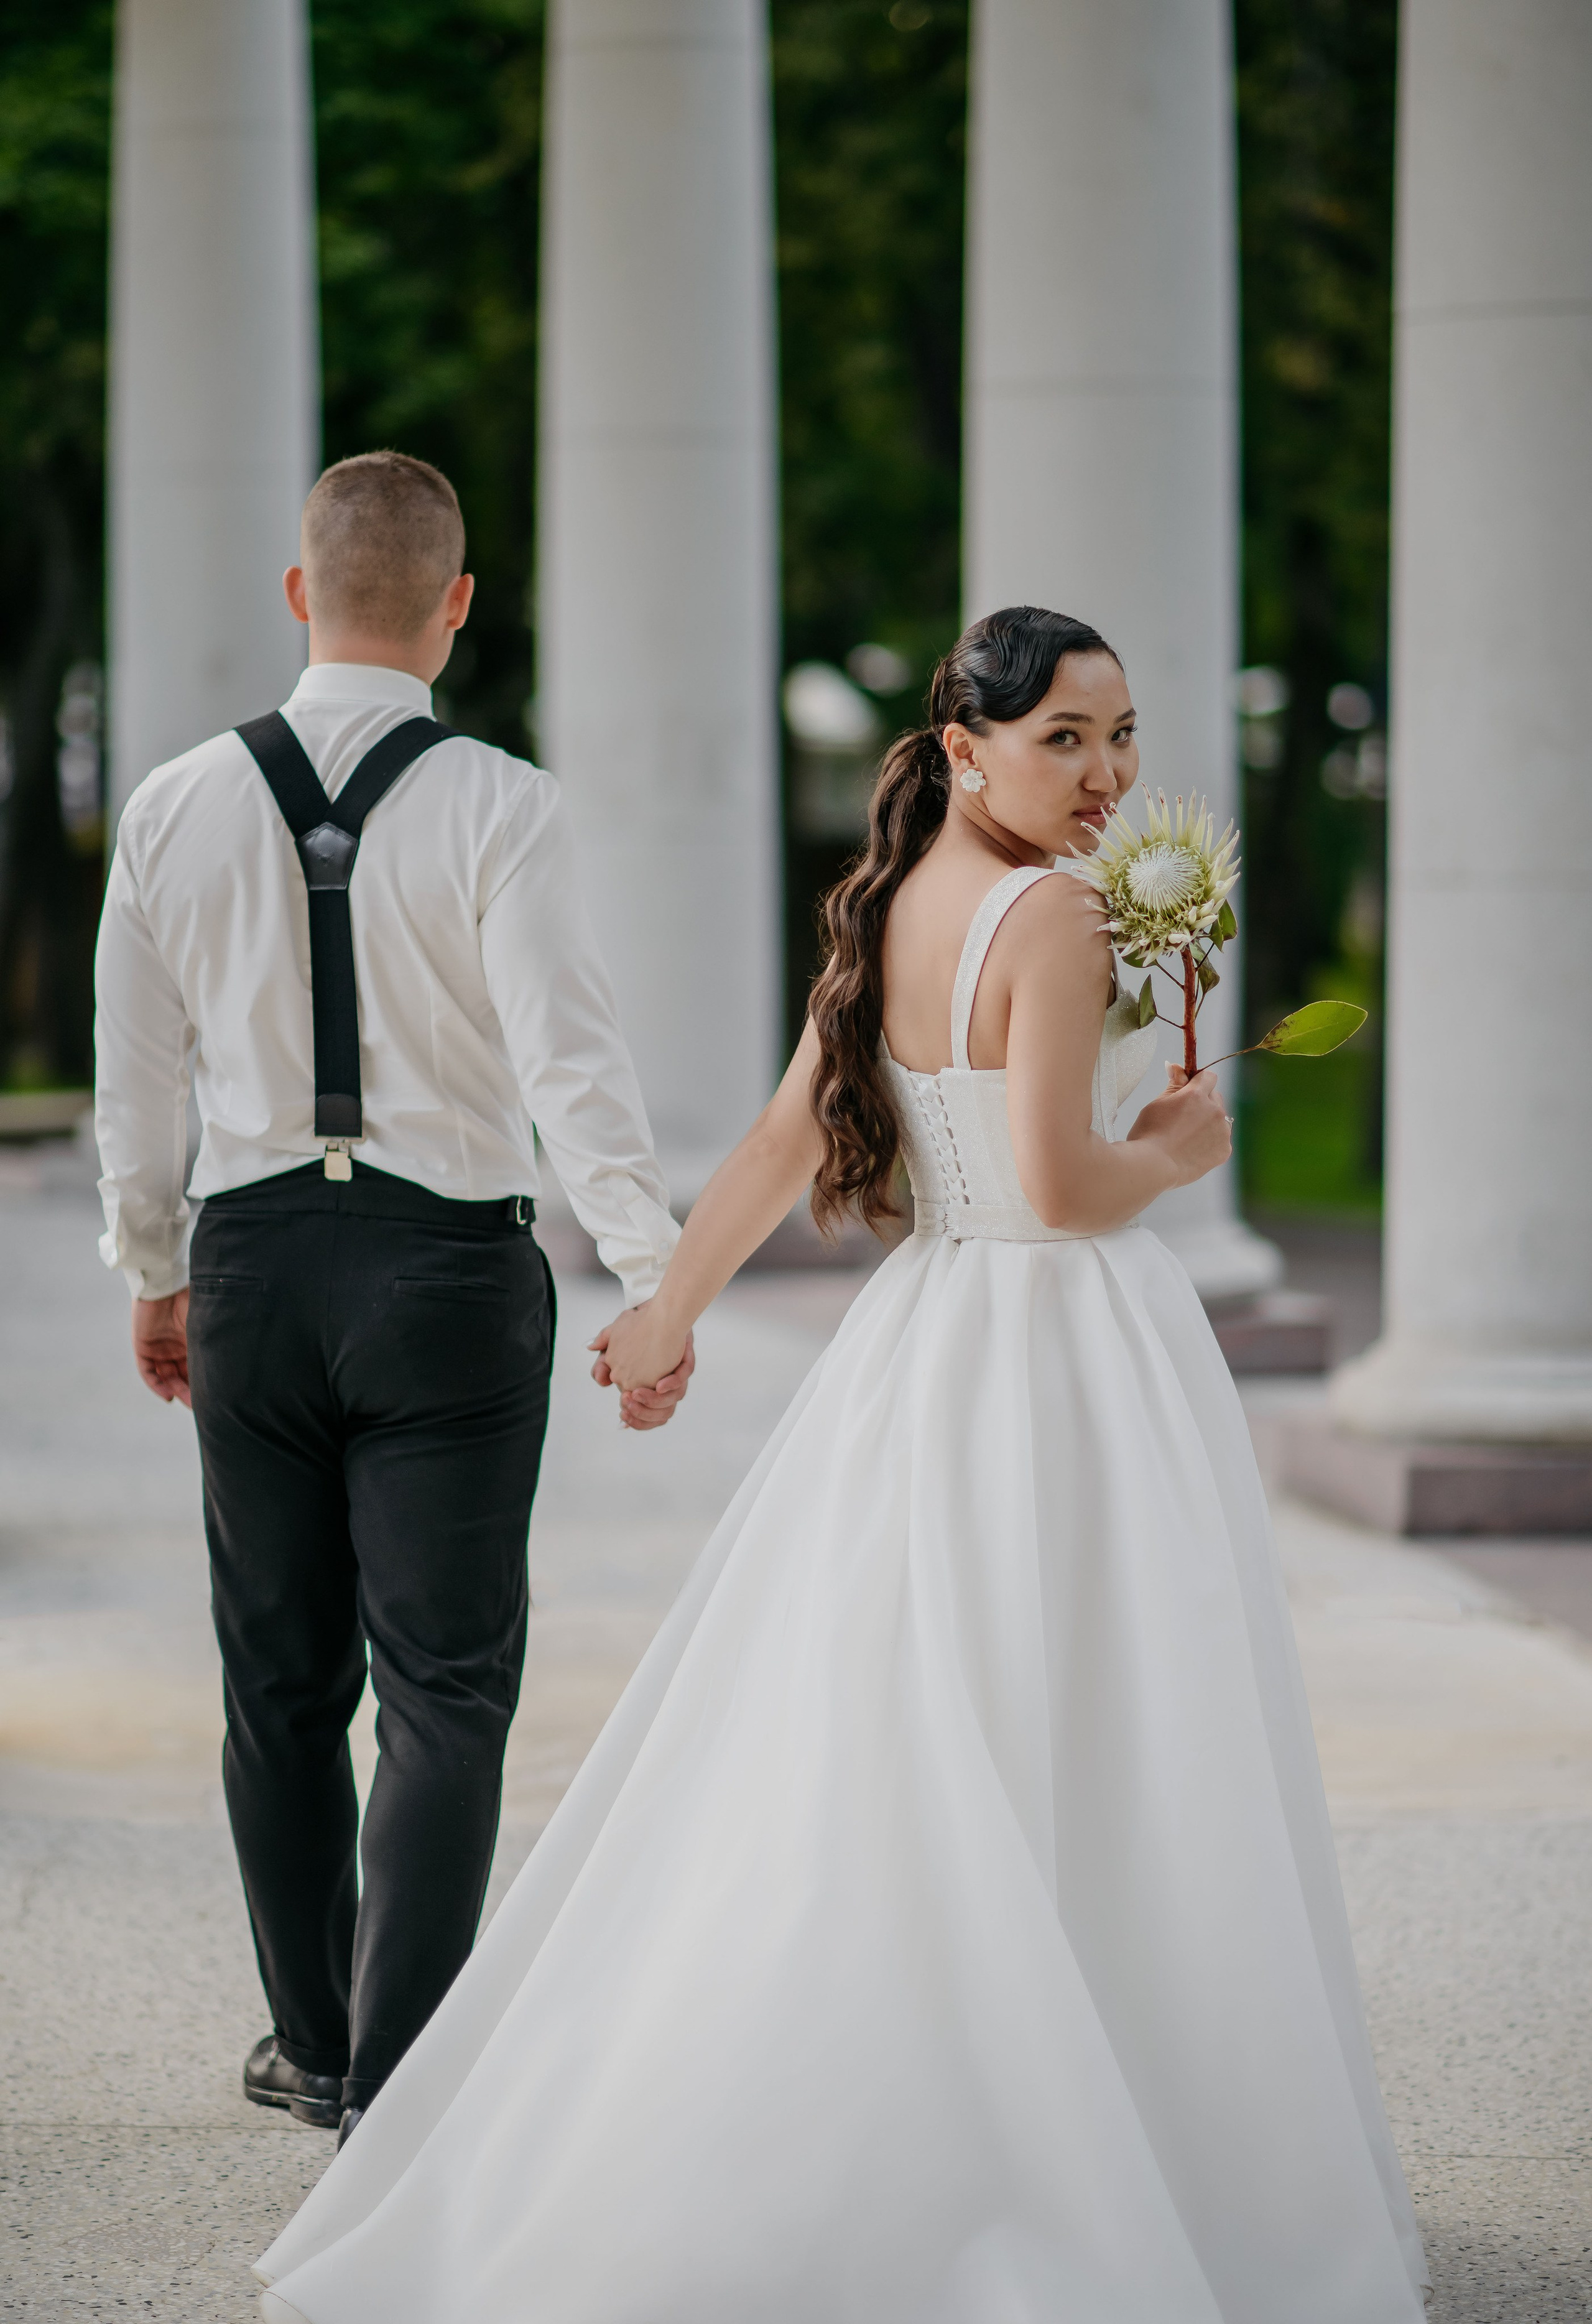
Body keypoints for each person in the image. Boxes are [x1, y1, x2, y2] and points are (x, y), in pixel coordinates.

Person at [254, 608, 1430, 2322]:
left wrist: (668, 1307)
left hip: (928, 1340)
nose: (1105, 775)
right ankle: (1077, 2144)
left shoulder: (890, 904)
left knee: (910, 1723)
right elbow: (1056, 1179)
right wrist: (1175, 1147)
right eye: (1064, 741)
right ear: (966, 746)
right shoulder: (1056, 913)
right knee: (1105, 1723)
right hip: (1063, 1348)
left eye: (1120, 736)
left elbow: (780, 1134)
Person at [93, 450, 692, 2155]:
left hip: (258, 1266)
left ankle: (312, 2037)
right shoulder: (505, 801)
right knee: (445, 1685)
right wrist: (649, 1273)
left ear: (300, 593)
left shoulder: (171, 802)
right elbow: (570, 1059)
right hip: (445, 1273)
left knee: (276, 1679)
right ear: (456, 605)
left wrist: (155, 1266)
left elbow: (136, 1083)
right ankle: (407, 2076)